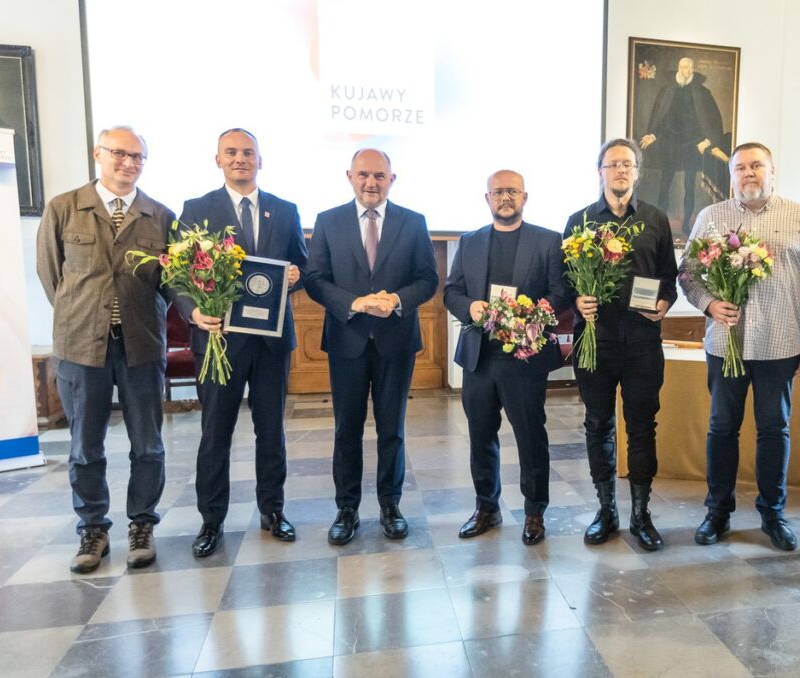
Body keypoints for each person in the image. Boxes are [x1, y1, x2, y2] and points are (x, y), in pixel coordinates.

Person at [679, 142, 800, 552]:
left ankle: (773, 513)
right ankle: (717, 512)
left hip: (780, 346)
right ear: (731, 175)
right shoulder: (712, 217)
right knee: (722, 429)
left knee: (774, 430)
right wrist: (710, 304)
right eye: (740, 167)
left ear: (772, 170)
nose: (748, 173)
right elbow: (688, 275)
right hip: (725, 344)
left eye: (756, 166)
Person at [36, 126, 174, 573]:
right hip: (81, 345)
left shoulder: (160, 216)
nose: (128, 163)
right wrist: (85, 313)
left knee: (148, 445)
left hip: (141, 345)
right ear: (98, 154)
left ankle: (142, 524)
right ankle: (92, 528)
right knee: (84, 446)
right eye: (119, 153)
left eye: (137, 157)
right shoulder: (63, 208)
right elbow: (51, 277)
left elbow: (170, 285)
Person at [180, 128, 308, 557]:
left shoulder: (285, 211)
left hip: (272, 344)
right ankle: (211, 520)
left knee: (271, 432)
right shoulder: (197, 210)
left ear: (260, 160)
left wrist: (295, 277)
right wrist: (193, 313)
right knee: (216, 433)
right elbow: (178, 277)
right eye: (231, 152)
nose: (240, 158)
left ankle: (273, 510)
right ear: (217, 159)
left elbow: (302, 267)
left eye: (248, 152)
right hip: (220, 342)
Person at [305, 149, 438, 545]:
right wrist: (353, 303)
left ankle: (390, 506)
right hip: (347, 340)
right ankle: (346, 510)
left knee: (391, 428)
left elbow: (427, 279)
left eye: (379, 175)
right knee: (346, 429)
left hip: (395, 342)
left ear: (392, 179)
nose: (371, 182)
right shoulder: (327, 221)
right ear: (349, 176)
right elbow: (314, 278)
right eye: (363, 174)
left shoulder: (413, 222)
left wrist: (395, 301)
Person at [444, 170, 571, 545]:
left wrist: (531, 314)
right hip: (479, 357)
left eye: (512, 191)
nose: (505, 197)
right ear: (487, 198)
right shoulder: (469, 242)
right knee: (481, 435)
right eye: (498, 191)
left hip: (525, 358)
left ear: (524, 197)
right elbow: (451, 292)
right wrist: (472, 307)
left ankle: (534, 512)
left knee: (531, 436)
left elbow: (561, 291)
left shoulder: (548, 241)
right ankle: (487, 507)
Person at [564, 138, 678, 552]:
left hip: (643, 343)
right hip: (595, 341)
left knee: (642, 427)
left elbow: (670, 278)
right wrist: (577, 300)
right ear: (600, 172)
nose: (620, 171)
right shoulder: (578, 221)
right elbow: (562, 281)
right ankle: (606, 509)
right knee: (598, 424)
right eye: (613, 164)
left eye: (627, 164)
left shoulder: (655, 219)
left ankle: (641, 514)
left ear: (637, 171)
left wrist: (665, 301)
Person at [639, 57, 728, 232]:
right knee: (665, 184)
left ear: (692, 70)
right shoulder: (667, 91)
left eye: (688, 68)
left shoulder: (703, 93)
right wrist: (653, 134)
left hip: (692, 145)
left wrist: (708, 140)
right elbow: (661, 117)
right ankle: (658, 226)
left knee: (689, 186)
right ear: (678, 68)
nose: (684, 71)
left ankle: (687, 225)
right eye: (681, 67)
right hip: (670, 144)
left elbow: (713, 120)